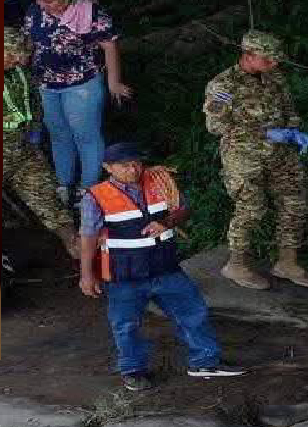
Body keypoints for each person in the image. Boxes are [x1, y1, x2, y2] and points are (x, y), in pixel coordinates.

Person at [77, 143, 244, 391]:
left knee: (193, 313)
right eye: (124, 165)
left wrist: (166, 222)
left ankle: (205, 363)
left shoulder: (159, 181)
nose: (132, 169)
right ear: (107, 168)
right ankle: (132, 370)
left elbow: (183, 209)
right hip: (125, 274)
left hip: (165, 267)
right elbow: (88, 237)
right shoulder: (96, 196)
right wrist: (86, 275)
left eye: (136, 163)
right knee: (125, 324)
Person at [202, 29, 308, 290]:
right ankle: (236, 264)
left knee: (295, 204)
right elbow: (216, 126)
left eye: (276, 59)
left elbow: (289, 109)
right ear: (248, 55)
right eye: (268, 59)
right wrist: (266, 132)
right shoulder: (223, 85)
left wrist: (294, 130)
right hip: (244, 158)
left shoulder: (274, 77)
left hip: (281, 154)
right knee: (251, 209)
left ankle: (287, 262)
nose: (274, 63)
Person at [23, 0, 130, 202]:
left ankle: (88, 189)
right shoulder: (35, 10)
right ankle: (64, 184)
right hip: (45, 85)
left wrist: (113, 82)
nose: (45, 5)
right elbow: (29, 43)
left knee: (85, 136)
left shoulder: (91, 11)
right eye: (42, 1)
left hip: (82, 84)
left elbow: (109, 44)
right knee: (58, 135)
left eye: (51, 1)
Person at [4, 25, 79, 259]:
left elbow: (33, 102)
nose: (17, 62)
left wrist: (34, 131)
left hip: (23, 152)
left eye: (20, 58)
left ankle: (76, 247)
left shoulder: (19, 74)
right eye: (12, 57)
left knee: (49, 199)